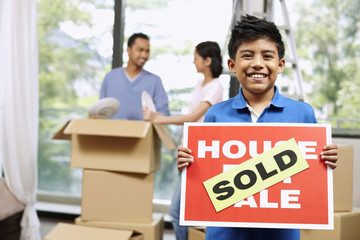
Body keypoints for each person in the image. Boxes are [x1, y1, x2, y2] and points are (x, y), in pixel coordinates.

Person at [176, 15, 338, 240]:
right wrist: (188, 164)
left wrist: (326, 160)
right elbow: (204, 179)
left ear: (280, 64)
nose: (258, 63)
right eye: (248, 55)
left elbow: (309, 178)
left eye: (267, 56)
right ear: (232, 65)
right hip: (224, 233)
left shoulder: (303, 113)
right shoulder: (215, 114)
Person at [143, 41, 224, 240]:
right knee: (181, 211)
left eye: (196, 58)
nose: (193, 62)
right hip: (190, 152)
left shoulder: (215, 88)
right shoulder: (200, 84)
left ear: (207, 60)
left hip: (203, 156)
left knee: (178, 211)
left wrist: (157, 117)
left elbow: (191, 118)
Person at [98, 32, 170, 120]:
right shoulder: (110, 77)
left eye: (147, 51)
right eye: (140, 50)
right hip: (111, 131)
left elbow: (165, 114)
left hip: (143, 132)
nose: (144, 55)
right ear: (128, 50)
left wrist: (155, 116)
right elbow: (101, 111)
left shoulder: (155, 81)